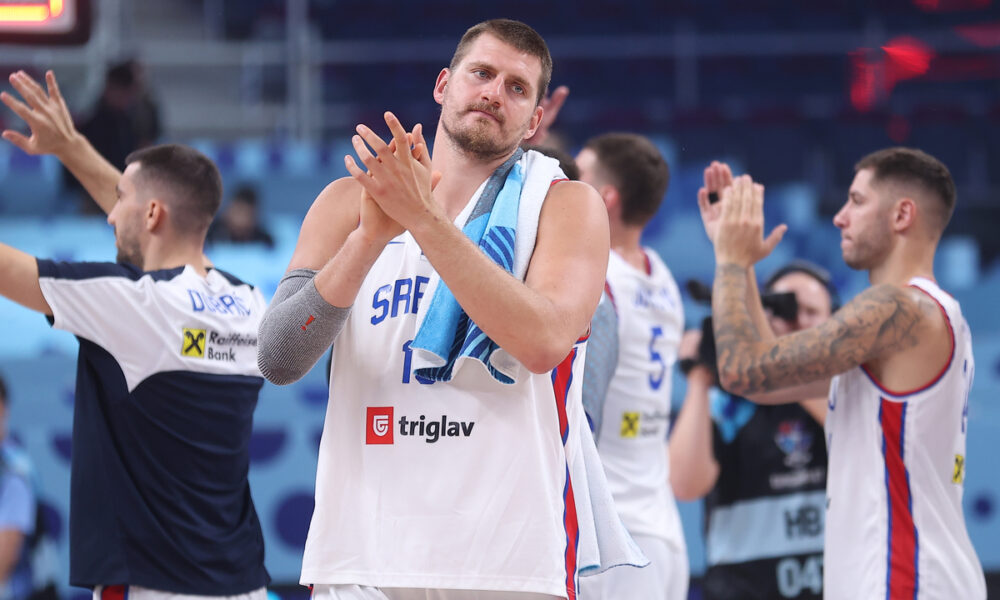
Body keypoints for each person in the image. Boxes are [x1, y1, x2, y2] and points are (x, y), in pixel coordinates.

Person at [258, 18, 638, 600]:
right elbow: (279, 357)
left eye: (517, 87)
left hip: (506, 560)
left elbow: (542, 344)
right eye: (481, 73)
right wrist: (367, 239)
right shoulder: (344, 203)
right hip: (363, 554)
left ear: (535, 121)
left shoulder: (566, 206)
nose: (493, 92)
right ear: (443, 85)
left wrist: (423, 218)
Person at [0, 71, 270, 599]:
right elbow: (154, 222)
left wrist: (75, 150)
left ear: (150, 212)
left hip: (153, 586)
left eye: (120, 199)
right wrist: (73, 148)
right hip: (240, 584)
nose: (109, 214)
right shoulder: (248, 302)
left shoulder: (130, 303)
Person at [701, 148, 986, 598]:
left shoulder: (897, 308)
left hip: (905, 581)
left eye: (856, 200)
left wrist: (732, 262)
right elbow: (765, 378)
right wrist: (737, 261)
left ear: (902, 214)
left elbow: (741, 372)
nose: (839, 217)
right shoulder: (917, 318)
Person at [670, 248, 836, 597]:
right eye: (785, 311)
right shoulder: (731, 402)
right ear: (763, 318)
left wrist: (774, 361)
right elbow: (685, 485)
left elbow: (849, 427)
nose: (798, 322)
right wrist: (700, 379)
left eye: (810, 312)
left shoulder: (846, 393)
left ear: (834, 322)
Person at [573, 133, 688, 600]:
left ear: (607, 198)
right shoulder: (660, 274)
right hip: (662, 531)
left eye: (576, 176)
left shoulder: (597, 279)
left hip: (614, 537)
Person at [207, 184, 276, 247]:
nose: (241, 220)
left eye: (246, 214)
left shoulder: (262, 240)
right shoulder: (211, 233)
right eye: (238, 212)